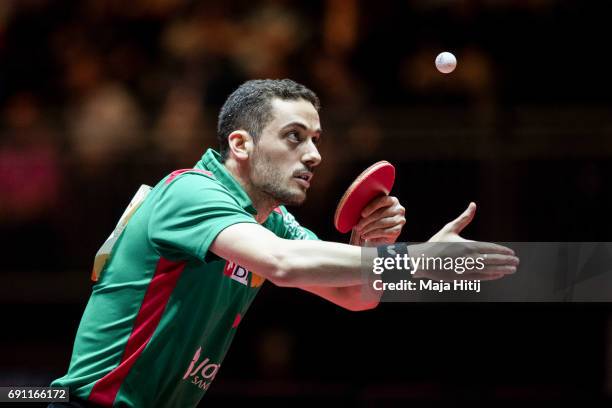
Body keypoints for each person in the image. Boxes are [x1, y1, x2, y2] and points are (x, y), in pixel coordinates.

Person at [50, 79, 518, 407]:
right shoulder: (190, 192)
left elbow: (355, 297)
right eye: (294, 137)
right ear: (241, 144)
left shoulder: (271, 220)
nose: (314, 154)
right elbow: (282, 264)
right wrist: (418, 261)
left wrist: (372, 251)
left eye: (315, 139)